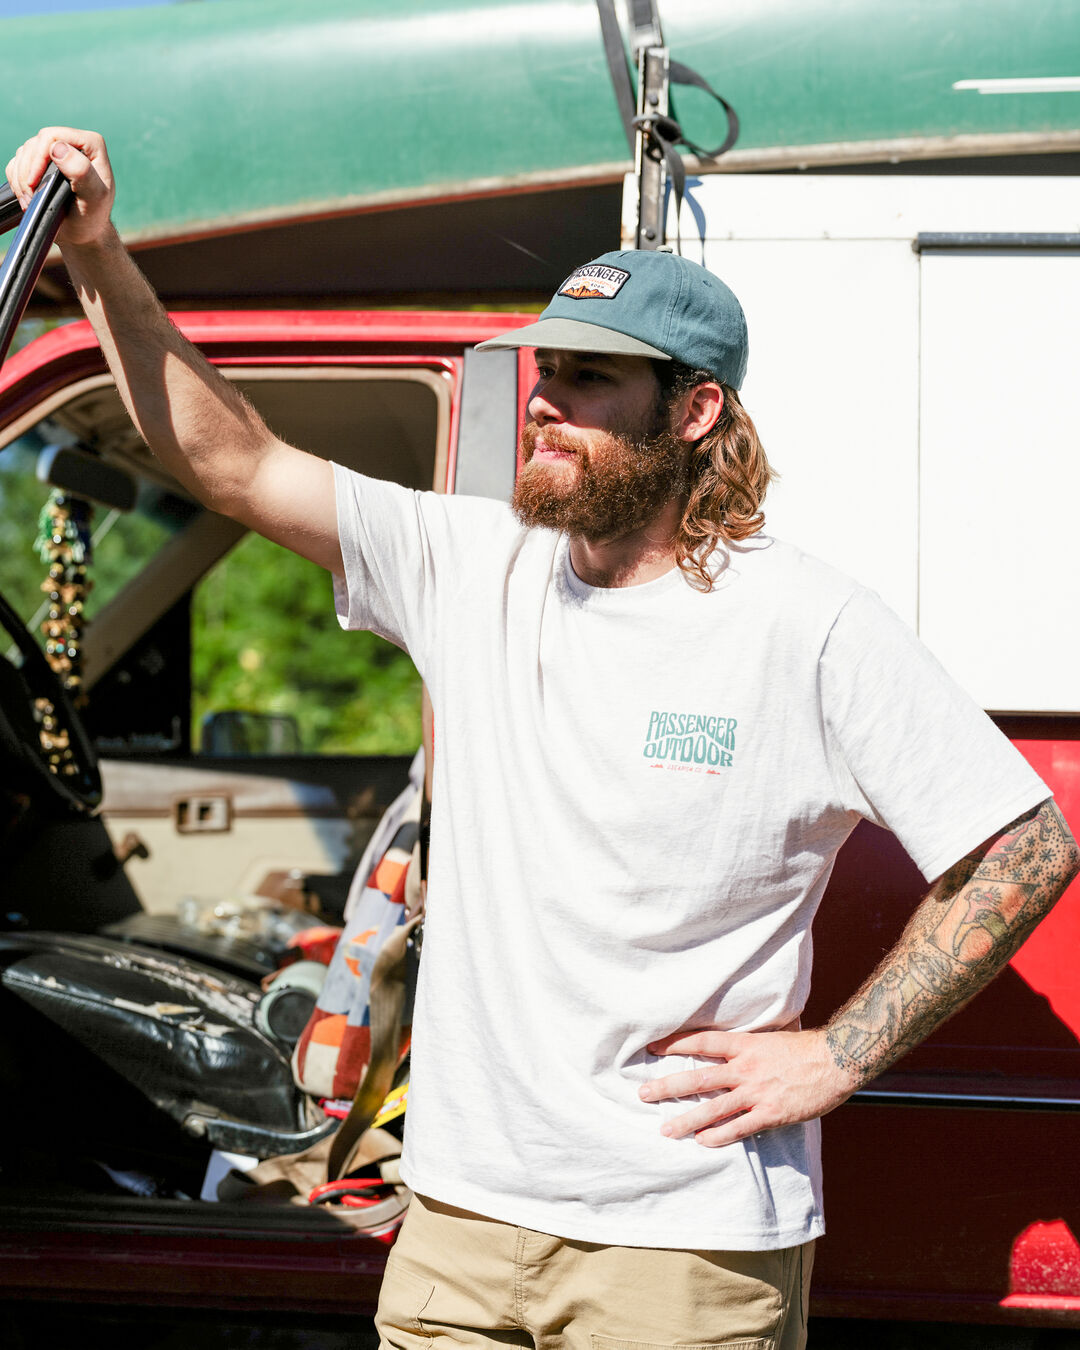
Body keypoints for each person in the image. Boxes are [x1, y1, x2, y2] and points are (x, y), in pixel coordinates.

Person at [7, 129, 1078, 1350]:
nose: (545, 404)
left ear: (696, 411)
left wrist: (834, 1056)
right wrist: (99, 256)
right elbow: (234, 460)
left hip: (682, 1251)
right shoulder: (473, 567)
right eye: (544, 370)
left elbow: (1026, 846)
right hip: (458, 1232)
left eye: (590, 380)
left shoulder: (809, 625)